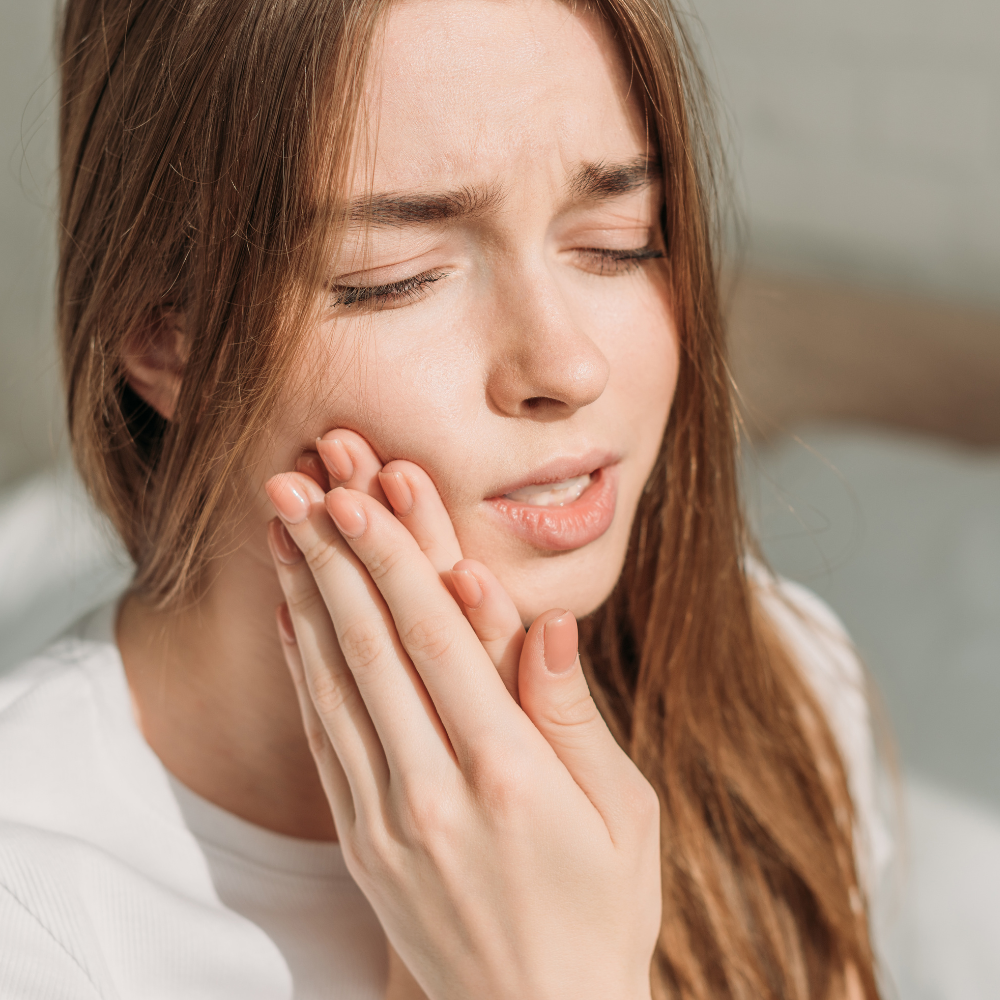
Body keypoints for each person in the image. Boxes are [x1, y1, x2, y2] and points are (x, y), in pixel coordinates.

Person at [0, 0, 888, 997]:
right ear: (167, 335)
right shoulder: (36, 920)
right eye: (399, 278)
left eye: (617, 240)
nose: (566, 363)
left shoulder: (781, 695)